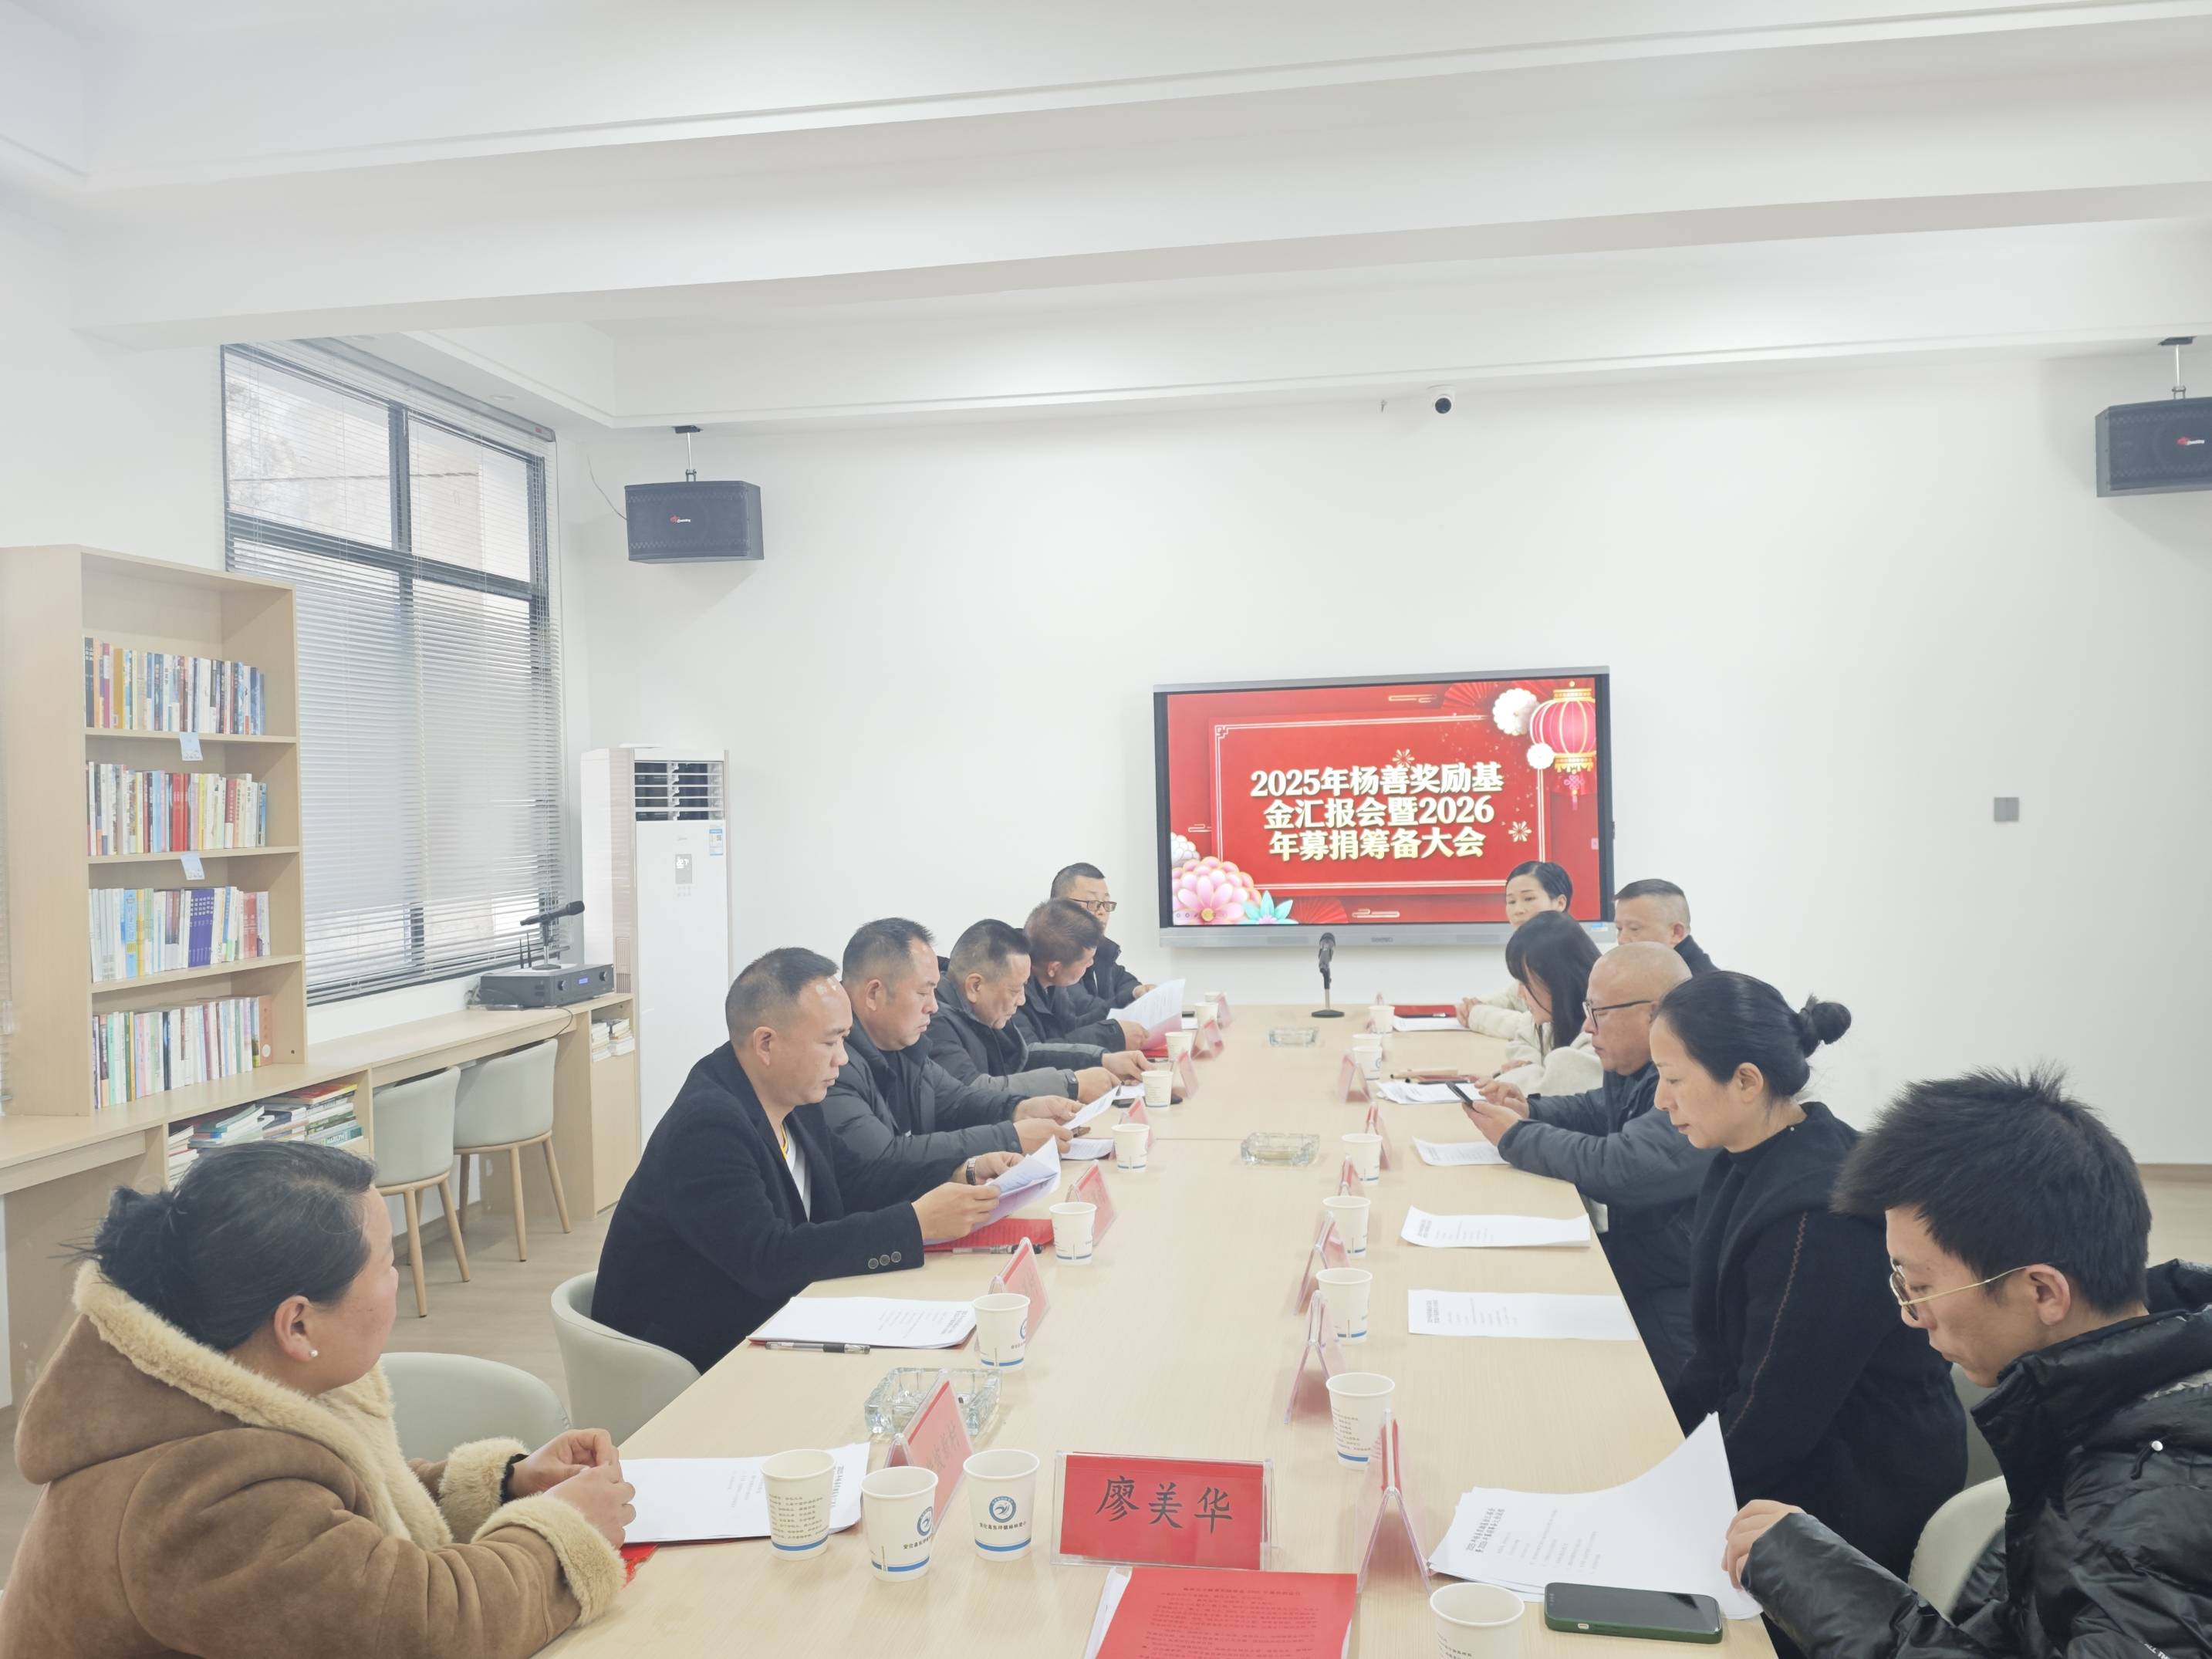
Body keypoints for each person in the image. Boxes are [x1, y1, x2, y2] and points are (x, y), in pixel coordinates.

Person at [1, 1143, 631, 1659]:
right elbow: (431, 1633)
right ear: (297, 1324)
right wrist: (562, 1535)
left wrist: (507, 1487)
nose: (398, 1279)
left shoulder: (228, 1375)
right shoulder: (205, 1500)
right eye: (386, 1264)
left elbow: (340, 1535)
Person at [1725, 1067, 2212, 1657]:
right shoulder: (2098, 1414)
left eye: (1920, 1286)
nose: (1911, 1315)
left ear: (2042, 1292)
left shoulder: (2153, 1523)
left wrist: (1821, 1584)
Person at [1649, 971, 1963, 1630]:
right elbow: (1717, 1355)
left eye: (1673, 1079)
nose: (1659, 1099)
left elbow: (1773, 1418)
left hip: (1852, 1488)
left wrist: (1667, 1498)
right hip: (1795, 1445)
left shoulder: (1815, 1217)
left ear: (1745, 1081)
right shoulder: (1747, 1155)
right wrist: (1656, 1451)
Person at [594, 948, 1008, 1372]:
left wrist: (961, 1171)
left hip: (773, 1323)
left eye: (844, 1040)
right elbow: (770, 1259)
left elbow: (858, 1178)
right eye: (830, 1042)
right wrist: (915, 1224)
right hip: (688, 1360)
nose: (842, 1058)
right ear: (766, 1044)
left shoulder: (793, 1097)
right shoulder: (707, 1128)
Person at [1460, 941, 1712, 1383]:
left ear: (1653, 1013)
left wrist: (1517, 1136)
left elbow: (1625, 1167)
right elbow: (1598, 1109)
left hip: (1675, 1293)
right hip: (1645, 1262)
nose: (1586, 1026)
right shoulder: (1635, 1066)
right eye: (1586, 1010)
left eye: (1599, 1013)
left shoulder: (1694, 1078)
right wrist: (1531, 1109)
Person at [820, 918, 1079, 1208]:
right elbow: (885, 1157)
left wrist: (1019, 1109)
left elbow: (956, 1100)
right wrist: (1010, 1136)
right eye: (923, 992)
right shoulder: (833, 1064)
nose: (933, 1006)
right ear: (874, 994)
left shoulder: (904, 1044)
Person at [927, 918, 1147, 1102]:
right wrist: (1071, 1084)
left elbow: (1023, 1059)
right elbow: (973, 1091)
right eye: (1015, 990)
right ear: (975, 986)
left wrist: (1102, 1060)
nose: (1022, 1000)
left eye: (1024, 987)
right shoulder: (934, 1021)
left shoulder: (986, 1013)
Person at [1487, 908, 1602, 1096]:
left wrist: (1520, 1073)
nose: (1520, 993)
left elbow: (1549, 1090)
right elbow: (1522, 1038)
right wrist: (1530, 1066)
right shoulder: (1553, 1021)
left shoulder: (1599, 1035)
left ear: (1557, 980)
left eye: (1525, 983)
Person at [1011, 898, 1148, 1052]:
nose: (1091, 964)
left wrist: (1129, 998)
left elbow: (1071, 1029)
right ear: (1054, 968)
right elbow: (1032, 1054)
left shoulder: (1051, 982)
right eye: (1086, 961)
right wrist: (1111, 1037)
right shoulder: (1012, 991)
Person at [1461, 860, 1575, 1042]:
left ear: (1560, 903)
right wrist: (1474, 1004)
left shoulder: (1565, 952)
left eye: (1528, 899)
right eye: (1511, 901)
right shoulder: (1534, 950)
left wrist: (1476, 1015)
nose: (1517, 910)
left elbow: (1542, 1028)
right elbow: (1513, 998)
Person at [1053, 861, 1155, 1008]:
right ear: (1060, 906)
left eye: (1106, 903)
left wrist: (1138, 991)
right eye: (1092, 902)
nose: (1102, 911)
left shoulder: (1099, 950)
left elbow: (1123, 981)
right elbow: (1085, 1008)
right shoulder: (1050, 955)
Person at [1613, 877, 1716, 976]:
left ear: (1676, 933)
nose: (1622, 940)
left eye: (1634, 928)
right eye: (1619, 928)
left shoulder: (1700, 984)